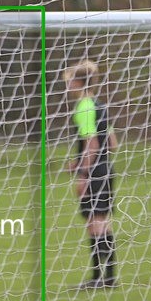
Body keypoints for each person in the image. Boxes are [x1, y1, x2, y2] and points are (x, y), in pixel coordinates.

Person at [64, 60, 119, 289]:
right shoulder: (99, 105)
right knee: (102, 222)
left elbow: (92, 143)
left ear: (77, 82)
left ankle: (100, 279)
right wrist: (77, 162)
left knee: (95, 225)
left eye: (68, 83)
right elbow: (113, 143)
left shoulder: (84, 107)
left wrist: (83, 174)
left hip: (95, 172)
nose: (67, 88)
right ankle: (108, 277)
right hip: (106, 169)